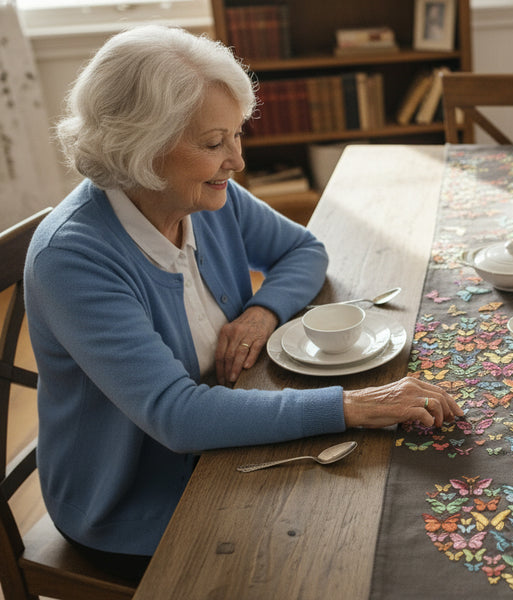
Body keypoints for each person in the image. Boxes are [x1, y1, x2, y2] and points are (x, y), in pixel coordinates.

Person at [24, 25, 461, 579]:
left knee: (396, 513)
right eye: (213, 143)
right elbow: (176, 416)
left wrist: (262, 310)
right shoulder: (74, 258)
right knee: (340, 555)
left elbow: (304, 249)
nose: (236, 159)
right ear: (141, 148)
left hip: (228, 439)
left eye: (235, 135)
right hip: (134, 500)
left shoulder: (203, 196)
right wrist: (351, 405)